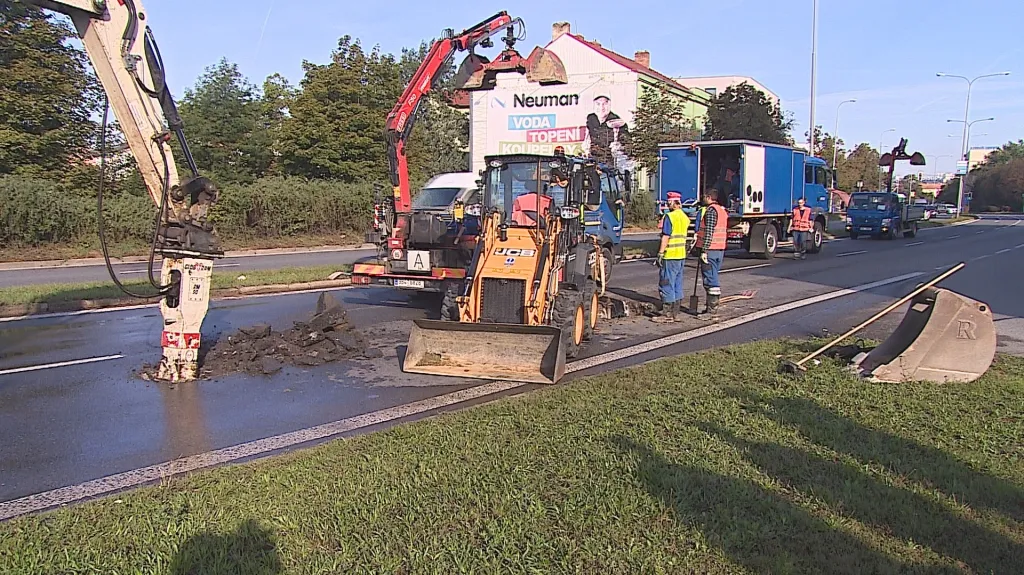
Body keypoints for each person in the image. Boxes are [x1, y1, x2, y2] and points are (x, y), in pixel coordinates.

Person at [652, 191, 690, 322]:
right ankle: (675, 311)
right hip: (681, 254)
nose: (668, 205)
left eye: (669, 203)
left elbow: (666, 236)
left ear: (675, 203)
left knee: (667, 283)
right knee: (677, 283)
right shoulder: (684, 217)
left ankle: (667, 314)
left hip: (670, 255)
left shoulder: (669, 217)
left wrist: (660, 253)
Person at [693, 188, 728, 318]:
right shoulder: (722, 211)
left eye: (704, 196)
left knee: (710, 278)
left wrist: (704, 249)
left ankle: (711, 311)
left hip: (711, 250)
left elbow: (709, 232)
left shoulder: (711, 211)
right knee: (713, 275)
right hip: (719, 249)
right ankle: (710, 308)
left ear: (708, 197)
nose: (702, 198)